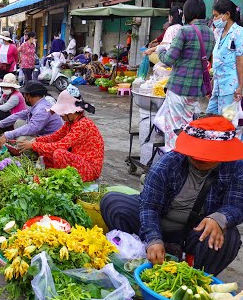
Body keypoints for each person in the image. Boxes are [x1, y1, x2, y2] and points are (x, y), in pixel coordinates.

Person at [100, 116, 243, 276]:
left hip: (195, 231)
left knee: (229, 236)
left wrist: (220, 218)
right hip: (161, 223)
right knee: (112, 202)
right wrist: (153, 238)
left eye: (209, 154)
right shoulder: (167, 165)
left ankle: (198, 278)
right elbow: (149, 208)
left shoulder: (236, 167)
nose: (201, 158)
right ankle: (141, 252)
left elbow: (236, 205)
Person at [157, 0, 216, 152]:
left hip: (178, 88)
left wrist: (160, 51)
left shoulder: (185, 31)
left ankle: (174, 163)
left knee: (174, 131)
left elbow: (169, 59)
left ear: (188, 13)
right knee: (188, 127)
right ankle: (186, 159)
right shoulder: (211, 33)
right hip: (195, 90)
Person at [23, 84, 104, 182]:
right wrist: (36, 140)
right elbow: (54, 137)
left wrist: (34, 145)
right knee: (45, 152)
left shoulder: (83, 125)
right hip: (78, 160)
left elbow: (59, 146)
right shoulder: (71, 123)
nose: (60, 115)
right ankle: (51, 174)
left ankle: (61, 179)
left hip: (90, 169)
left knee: (58, 153)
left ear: (70, 111)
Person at [0, 81, 63, 147]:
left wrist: (7, 135)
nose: (24, 97)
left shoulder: (42, 109)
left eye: (25, 95)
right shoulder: (37, 105)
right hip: (41, 134)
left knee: (21, 141)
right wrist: (0, 124)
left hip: (50, 141)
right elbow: (19, 115)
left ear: (28, 95)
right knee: (19, 122)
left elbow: (32, 128)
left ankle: (32, 155)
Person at [206, 0, 243, 115]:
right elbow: (217, 59)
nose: (214, 20)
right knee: (209, 117)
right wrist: (212, 81)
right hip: (218, 84)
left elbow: (240, 61)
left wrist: (241, 86)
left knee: (226, 122)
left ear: (227, 14)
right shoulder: (218, 32)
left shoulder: (238, 32)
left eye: (216, 16)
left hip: (230, 87)